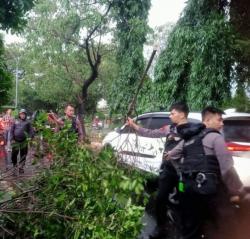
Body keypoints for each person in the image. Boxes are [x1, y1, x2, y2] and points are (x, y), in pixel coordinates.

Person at [166, 106, 250, 239]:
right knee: (226, 228)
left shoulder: (188, 139)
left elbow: (171, 156)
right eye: (219, 120)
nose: (222, 123)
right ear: (208, 120)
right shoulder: (215, 138)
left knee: (191, 230)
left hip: (188, 191)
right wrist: (236, 191)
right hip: (211, 192)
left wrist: (182, 169)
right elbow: (227, 168)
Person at [127, 102, 200, 238]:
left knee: (184, 202)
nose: (170, 116)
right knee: (160, 199)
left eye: (173, 113)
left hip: (183, 173)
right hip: (167, 170)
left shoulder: (193, 130)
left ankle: (184, 231)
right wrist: (134, 126)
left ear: (182, 114)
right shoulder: (169, 128)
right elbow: (150, 132)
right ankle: (161, 227)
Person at [10, 109, 34, 175]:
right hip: (15, 141)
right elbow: (11, 130)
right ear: (19, 115)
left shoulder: (28, 122)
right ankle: (14, 166)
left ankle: (21, 167)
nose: (22, 115)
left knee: (23, 155)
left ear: (25, 115)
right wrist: (11, 139)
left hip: (24, 141)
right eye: (21, 114)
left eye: (23, 114)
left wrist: (30, 137)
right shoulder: (15, 121)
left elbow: (31, 131)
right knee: (13, 155)